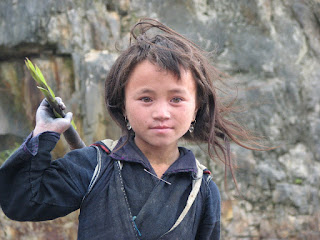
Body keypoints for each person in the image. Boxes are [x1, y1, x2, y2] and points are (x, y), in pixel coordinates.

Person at [0, 18, 260, 239]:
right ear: (122, 105)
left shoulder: (202, 188)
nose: (161, 113)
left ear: (197, 107)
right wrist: (44, 133)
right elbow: (21, 201)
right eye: (146, 98)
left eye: (176, 99)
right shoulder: (93, 166)